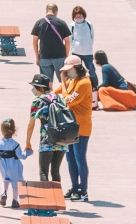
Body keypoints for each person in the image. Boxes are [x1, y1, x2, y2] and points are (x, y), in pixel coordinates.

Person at [57, 56, 95, 202]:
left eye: (68, 70)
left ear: (77, 68)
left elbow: (67, 101)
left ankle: (83, 191)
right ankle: (75, 187)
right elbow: (57, 93)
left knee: (80, 159)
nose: (66, 73)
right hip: (70, 126)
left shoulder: (84, 83)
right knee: (70, 159)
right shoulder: (72, 81)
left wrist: (62, 81)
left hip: (82, 127)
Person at [22, 73, 70, 186]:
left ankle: (47, 199)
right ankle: (57, 198)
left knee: (43, 171)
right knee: (56, 171)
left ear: (40, 87)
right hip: (62, 139)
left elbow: (31, 124)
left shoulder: (37, 101)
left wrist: (28, 142)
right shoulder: (60, 98)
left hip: (47, 139)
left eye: (34, 86)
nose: (32, 89)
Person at [0, 118, 31, 208]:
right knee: (15, 184)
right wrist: (28, 152)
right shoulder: (15, 144)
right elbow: (21, 156)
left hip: (3, 167)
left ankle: (3, 193)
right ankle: (15, 201)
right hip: (14, 168)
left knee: (5, 181)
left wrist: (0, 164)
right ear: (13, 131)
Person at [31, 2, 70, 85]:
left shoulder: (39, 23)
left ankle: (49, 97)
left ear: (46, 10)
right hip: (60, 56)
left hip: (44, 57)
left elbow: (34, 41)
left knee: (47, 83)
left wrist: (37, 57)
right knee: (64, 82)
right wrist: (66, 55)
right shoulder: (61, 23)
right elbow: (67, 41)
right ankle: (64, 97)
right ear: (56, 11)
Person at [68, 6, 95, 78]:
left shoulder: (89, 24)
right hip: (76, 52)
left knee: (91, 70)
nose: (78, 18)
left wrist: (88, 45)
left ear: (83, 15)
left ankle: (95, 85)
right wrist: (74, 46)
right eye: (76, 17)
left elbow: (92, 36)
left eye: (80, 17)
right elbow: (70, 38)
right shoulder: (72, 26)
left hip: (87, 52)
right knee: (76, 71)